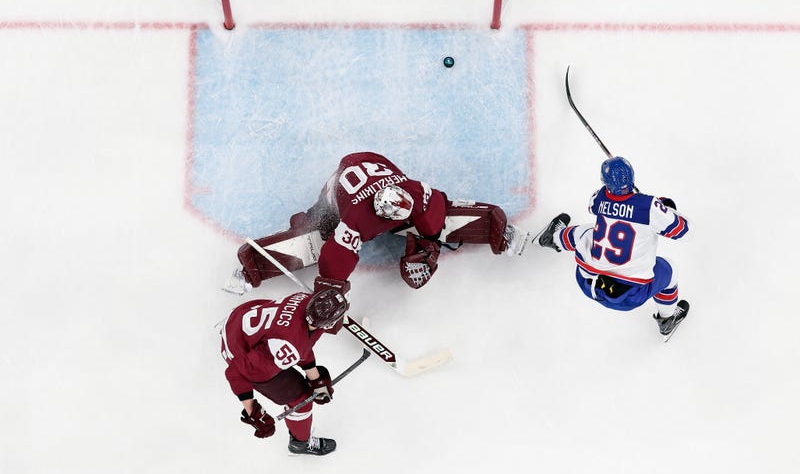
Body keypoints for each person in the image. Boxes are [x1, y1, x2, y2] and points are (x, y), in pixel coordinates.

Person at [226, 151, 529, 296]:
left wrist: (426, 241)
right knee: (318, 232)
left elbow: (434, 210)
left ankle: (498, 231)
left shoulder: (413, 191)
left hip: (372, 161)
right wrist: (331, 288)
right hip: (338, 191)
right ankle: (251, 268)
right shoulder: (357, 219)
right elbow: (338, 255)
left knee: (437, 217)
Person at [538, 156, 690, 336]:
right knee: (670, 270)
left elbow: (592, 206)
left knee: (587, 233)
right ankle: (667, 320)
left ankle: (554, 238)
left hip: (588, 282)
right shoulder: (649, 207)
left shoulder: (600, 197)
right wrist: (664, 208)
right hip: (629, 296)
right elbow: (682, 229)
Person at [219, 287, 349, 455]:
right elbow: (236, 372)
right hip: (238, 348)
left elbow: (299, 339)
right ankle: (300, 443)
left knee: (287, 346)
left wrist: (316, 379)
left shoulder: (303, 298)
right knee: (301, 397)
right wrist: (253, 413)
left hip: (239, 319)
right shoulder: (289, 345)